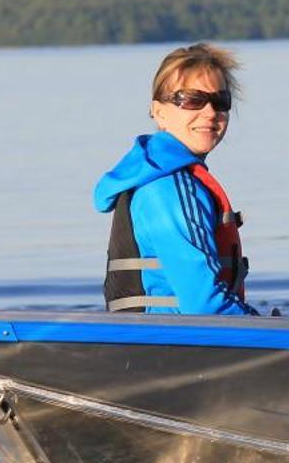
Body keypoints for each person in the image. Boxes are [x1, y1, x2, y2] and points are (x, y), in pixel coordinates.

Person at [93, 42, 256, 315]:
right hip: (175, 347)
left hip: (152, 345)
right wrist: (277, 332)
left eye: (220, 101)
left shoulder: (161, 178)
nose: (210, 112)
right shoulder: (170, 188)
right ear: (159, 112)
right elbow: (205, 308)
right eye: (191, 100)